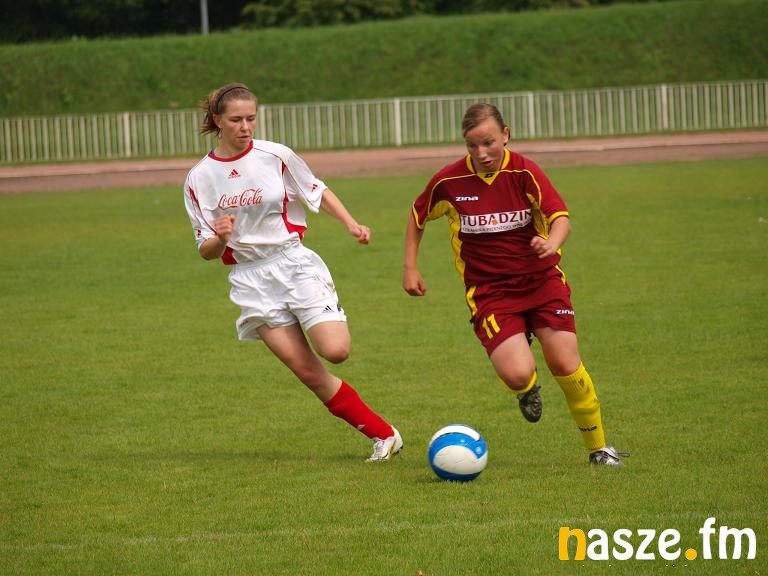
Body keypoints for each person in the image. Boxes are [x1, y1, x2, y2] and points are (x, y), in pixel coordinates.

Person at [183, 82, 402, 462]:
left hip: (293, 263)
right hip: (251, 280)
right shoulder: (199, 178)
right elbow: (205, 250)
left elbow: (317, 190)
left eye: (251, 118)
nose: (245, 127)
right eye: (236, 120)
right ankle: (384, 436)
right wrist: (221, 238)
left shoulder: (276, 155)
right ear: (217, 121)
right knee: (309, 372)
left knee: (336, 351)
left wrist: (351, 224)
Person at [402, 103, 625, 467]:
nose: (481, 153)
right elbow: (417, 216)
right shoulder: (449, 182)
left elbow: (561, 218)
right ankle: (526, 390)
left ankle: (599, 449)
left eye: (489, 142)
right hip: (490, 293)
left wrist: (551, 242)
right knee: (518, 373)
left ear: (506, 135)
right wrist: (410, 267)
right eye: (472, 145)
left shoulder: (525, 172)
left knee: (565, 363)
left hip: (542, 282)